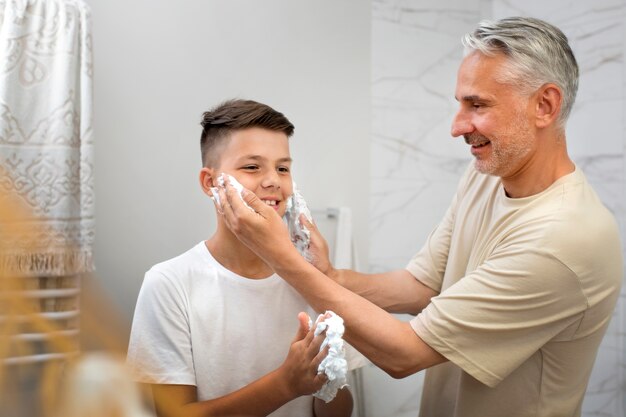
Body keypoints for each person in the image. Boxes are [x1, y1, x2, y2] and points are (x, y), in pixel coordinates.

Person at [215, 17, 624, 417]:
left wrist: (281, 258)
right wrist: (330, 275)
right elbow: (424, 286)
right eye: (460, 103)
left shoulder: (566, 239)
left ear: (544, 105)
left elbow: (404, 353)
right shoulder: (489, 173)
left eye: (477, 105)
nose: (457, 126)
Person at [126, 99, 356, 417]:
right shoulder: (170, 283)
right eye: (252, 167)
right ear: (210, 183)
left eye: (283, 168)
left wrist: (326, 382)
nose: (273, 180)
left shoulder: (311, 279)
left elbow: (338, 410)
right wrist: (285, 384)